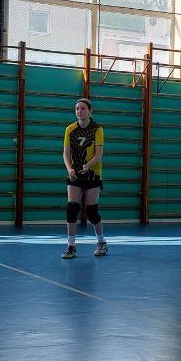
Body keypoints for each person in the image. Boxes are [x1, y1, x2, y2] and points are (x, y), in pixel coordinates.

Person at [62, 98, 106, 259]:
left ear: (89, 111)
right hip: (75, 173)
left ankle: (101, 242)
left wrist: (88, 166)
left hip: (92, 173)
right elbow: (65, 153)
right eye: (77, 109)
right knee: (72, 208)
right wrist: (70, 169)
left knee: (91, 211)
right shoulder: (70, 129)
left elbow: (98, 154)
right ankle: (71, 246)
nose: (79, 111)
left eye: (83, 109)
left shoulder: (97, 129)